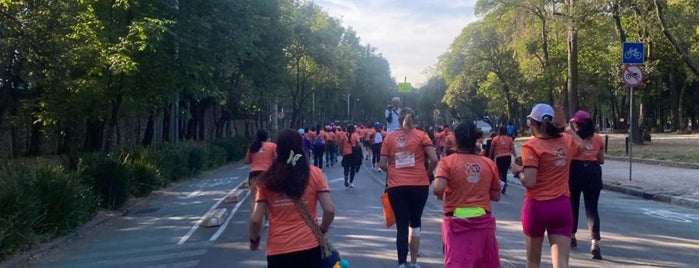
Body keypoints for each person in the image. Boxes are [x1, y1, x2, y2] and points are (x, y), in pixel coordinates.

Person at [249, 129, 335, 268]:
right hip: (309, 246)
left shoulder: (266, 180)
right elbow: (329, 210)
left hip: (278, 249)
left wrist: (254, 240)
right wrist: (322, 230)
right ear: (301, 148)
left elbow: (256, 220)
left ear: (277, 150)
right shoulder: (315, 173)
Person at [511, 103, 583, 268]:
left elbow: (529, 181)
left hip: (537, 207)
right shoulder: (565, 140)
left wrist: (518, 171)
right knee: (561, 263)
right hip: (561, 206)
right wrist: (566, 126)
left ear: (532, 123)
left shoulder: (531, 146)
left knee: (533, 261)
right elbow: (582, 146)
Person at [433, 121, 502, 268]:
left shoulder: (447, 163)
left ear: (456, 140)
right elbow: (496, 196)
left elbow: (438, 189)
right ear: (476, 140)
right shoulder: (489, 163)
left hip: (456, 223)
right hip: (483, 223)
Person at [379, 107, 439, 268]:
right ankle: (414, 262)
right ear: (414, 119)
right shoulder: (421, 135)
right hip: (419, 185)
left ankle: (401, 263)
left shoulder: (389, 138)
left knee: (402, 224)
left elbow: (382, 164)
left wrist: (392, 172)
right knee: (416, 222)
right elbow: (434, 159)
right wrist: (426, 174)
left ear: (398, 121)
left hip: (396, 186)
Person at [568, 110, 605, 260]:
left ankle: (571, 235)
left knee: (573, 204)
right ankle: (595, 242)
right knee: (592, 209)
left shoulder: (573, 139)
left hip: (575, 170)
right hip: (593, 172)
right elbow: (601, 160)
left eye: (574, 123)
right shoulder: (598, 138)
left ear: (578, 124)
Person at [244, 130, 277, 213]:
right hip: (267, 174)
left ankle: (255, 218)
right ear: (267, 137)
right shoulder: (272, 146)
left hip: (254, 175)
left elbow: (246, 161)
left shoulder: (252, 147)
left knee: (254, 199)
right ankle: (267, 220)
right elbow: (277, 158)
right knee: (268, 198)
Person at [489, 126, 516, 194]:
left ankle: (502, 183)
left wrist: (489, 157)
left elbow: (491, 149)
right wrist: (515, 156)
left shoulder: (495, 139)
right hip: (507, 157)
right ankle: (504, 182)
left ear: (499, 131)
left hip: (499, 157)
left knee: (498, 172)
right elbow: (512, 148)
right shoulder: (509, 139)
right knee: (505, 172)